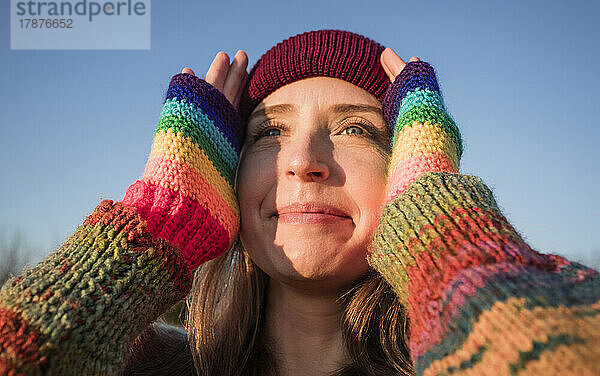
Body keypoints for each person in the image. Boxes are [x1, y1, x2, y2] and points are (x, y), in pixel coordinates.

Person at [0, 29, 598, 376]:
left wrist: (435, 219)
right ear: (223, 176)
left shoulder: (480, 345)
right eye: (268, 132)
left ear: (407, 168)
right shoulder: (137, 363)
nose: (302, 159)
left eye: (358, 130)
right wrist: (156, 226)